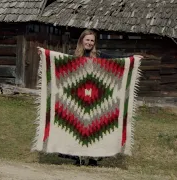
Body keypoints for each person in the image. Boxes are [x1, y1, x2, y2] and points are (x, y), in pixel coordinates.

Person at [38, 29, 143, 166]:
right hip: (76, 101)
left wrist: (133, 58)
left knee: (96, 128)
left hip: (97, 101)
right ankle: (77, 157)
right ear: (82, 40)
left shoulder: (99, 56)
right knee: (76, 126)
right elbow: (58, 60)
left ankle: (94, 158)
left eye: (92, 40)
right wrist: (45, 53)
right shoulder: (74, 57)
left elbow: (116, 59)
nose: (89, 42)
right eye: (87, 40)